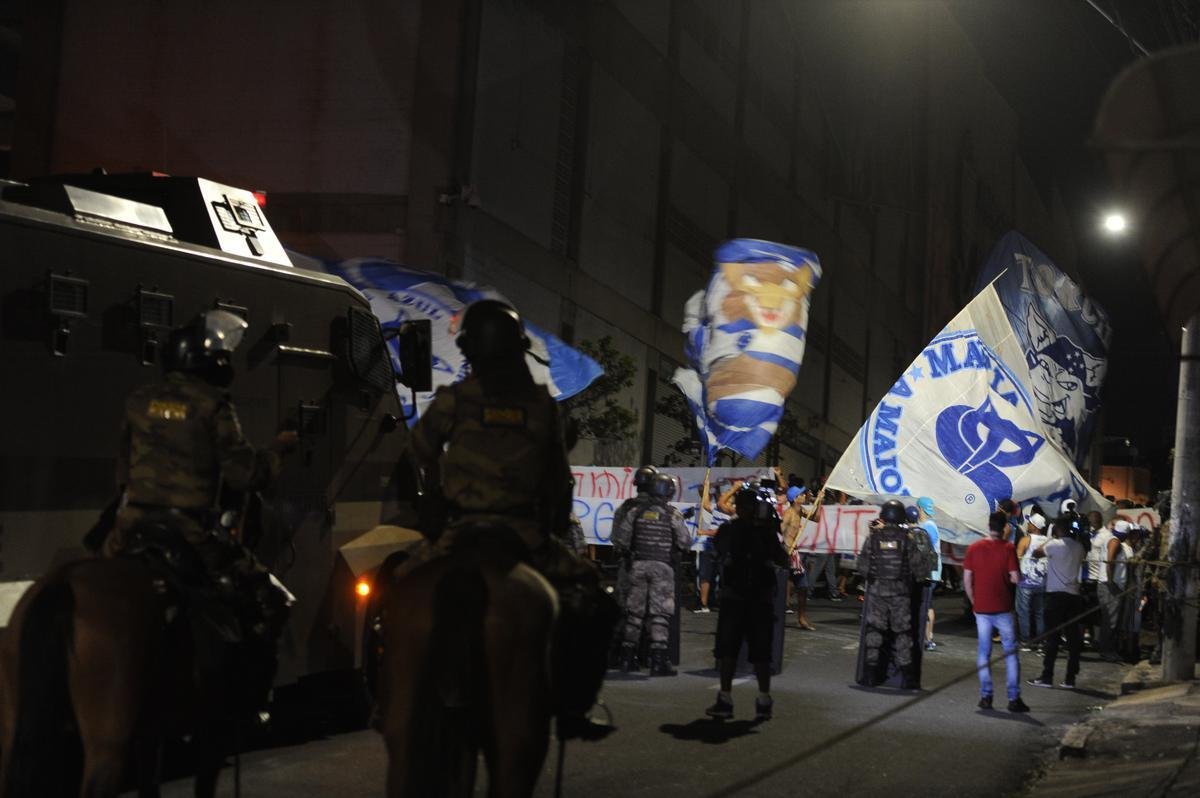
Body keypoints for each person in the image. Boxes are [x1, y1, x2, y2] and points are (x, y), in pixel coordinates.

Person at [407, 299, 619, 740]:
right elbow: (559, 485)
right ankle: (576, 708)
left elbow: (419, 451)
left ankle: (388, 702)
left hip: (458, 534)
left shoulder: (454, 400)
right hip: (522, 536)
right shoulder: (542, 408)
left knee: (397, 589)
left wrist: (434, 493)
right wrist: (552, 520)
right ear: (516, 349)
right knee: (595, 598)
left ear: (469, 349)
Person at [105, 310, 298, 711]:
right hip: (190, 532)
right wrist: (277, 452)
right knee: (273, 600)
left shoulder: (138, 401)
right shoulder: (213, 406)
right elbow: (244, 475)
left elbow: (122, 471)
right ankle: (253, 701)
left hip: (129, 528)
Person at [705, 485, 789, 721]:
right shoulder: (761, 532)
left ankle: (728, 698)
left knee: (733, 650)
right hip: (755, 599)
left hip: (738, 598)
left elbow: (718, 553)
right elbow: (782, 559)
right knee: (754, 652)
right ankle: (760, 699)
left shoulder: (732, 530)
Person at [611, 472, 692, 676]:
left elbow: (621, 540)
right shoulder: (671, 514)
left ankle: (627, 659)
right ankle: (658, 661)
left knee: (634, 613)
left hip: (637, 567)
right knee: (659, 614)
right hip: (662, 568)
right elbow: (684, 542)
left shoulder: (635, 512)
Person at [855, 500, 931, 689]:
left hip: (877, 594)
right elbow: (920, 569)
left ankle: (870, 676)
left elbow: (862, 566)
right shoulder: (907, 539)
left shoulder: (873, 539)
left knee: (874, 633)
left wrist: (874, 579)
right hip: (900, 595)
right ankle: (908, 679)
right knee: (903, 635)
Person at [963, 511, 1028, 712]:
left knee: (984, 652)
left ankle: (986, 696)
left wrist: (974, 601)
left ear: (988, 525)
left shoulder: (974, 548)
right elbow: (1015, 578)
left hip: (981, 608)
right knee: (1010, 653)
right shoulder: (1008, 548)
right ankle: (1013, 698)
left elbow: (966, 579)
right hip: (1003, 609)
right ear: (1004, 528)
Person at [1029, 517, 1088, 689]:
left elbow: (1036, 553)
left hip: (1055, 596)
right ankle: (1070, 678)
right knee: (1073, 640)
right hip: (1074, 596)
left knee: (1052, 637)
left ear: (1057, 529)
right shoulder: (1079, 547)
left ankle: (1047, 676)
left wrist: (1051, 537)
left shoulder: (1053, 544)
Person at [781, 486, 815, 630]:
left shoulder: (800, 511)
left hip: (793, 553)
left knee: (802, 586)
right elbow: (780, 531)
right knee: (782, 587)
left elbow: (816, 517)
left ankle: (801, 618)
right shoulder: (788, 514)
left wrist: (819, 500)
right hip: (786, 553)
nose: (804, 496)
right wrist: (786, 548)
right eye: (801, 494)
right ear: (795, 498)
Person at [1014, 513, 1049, 651]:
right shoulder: (1048, 540)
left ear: (1034, 526)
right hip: (1042, 582)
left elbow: (1017, 559)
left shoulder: (1025, 540)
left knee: (1024, 612)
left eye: (1029, 523)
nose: (1027, 524)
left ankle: (1026, 641)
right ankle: (1041, 642)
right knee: (1040, 613)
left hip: (1025, 582)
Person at [915, 496, 941, 651]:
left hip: (929, 572)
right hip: (930, 571)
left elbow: (924, 549)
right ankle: (927, 638)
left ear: (921, 508)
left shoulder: (928, 526)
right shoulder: (926, 524)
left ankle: (927, 638)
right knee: (928, 605)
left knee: (925, 605)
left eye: (918, 507)